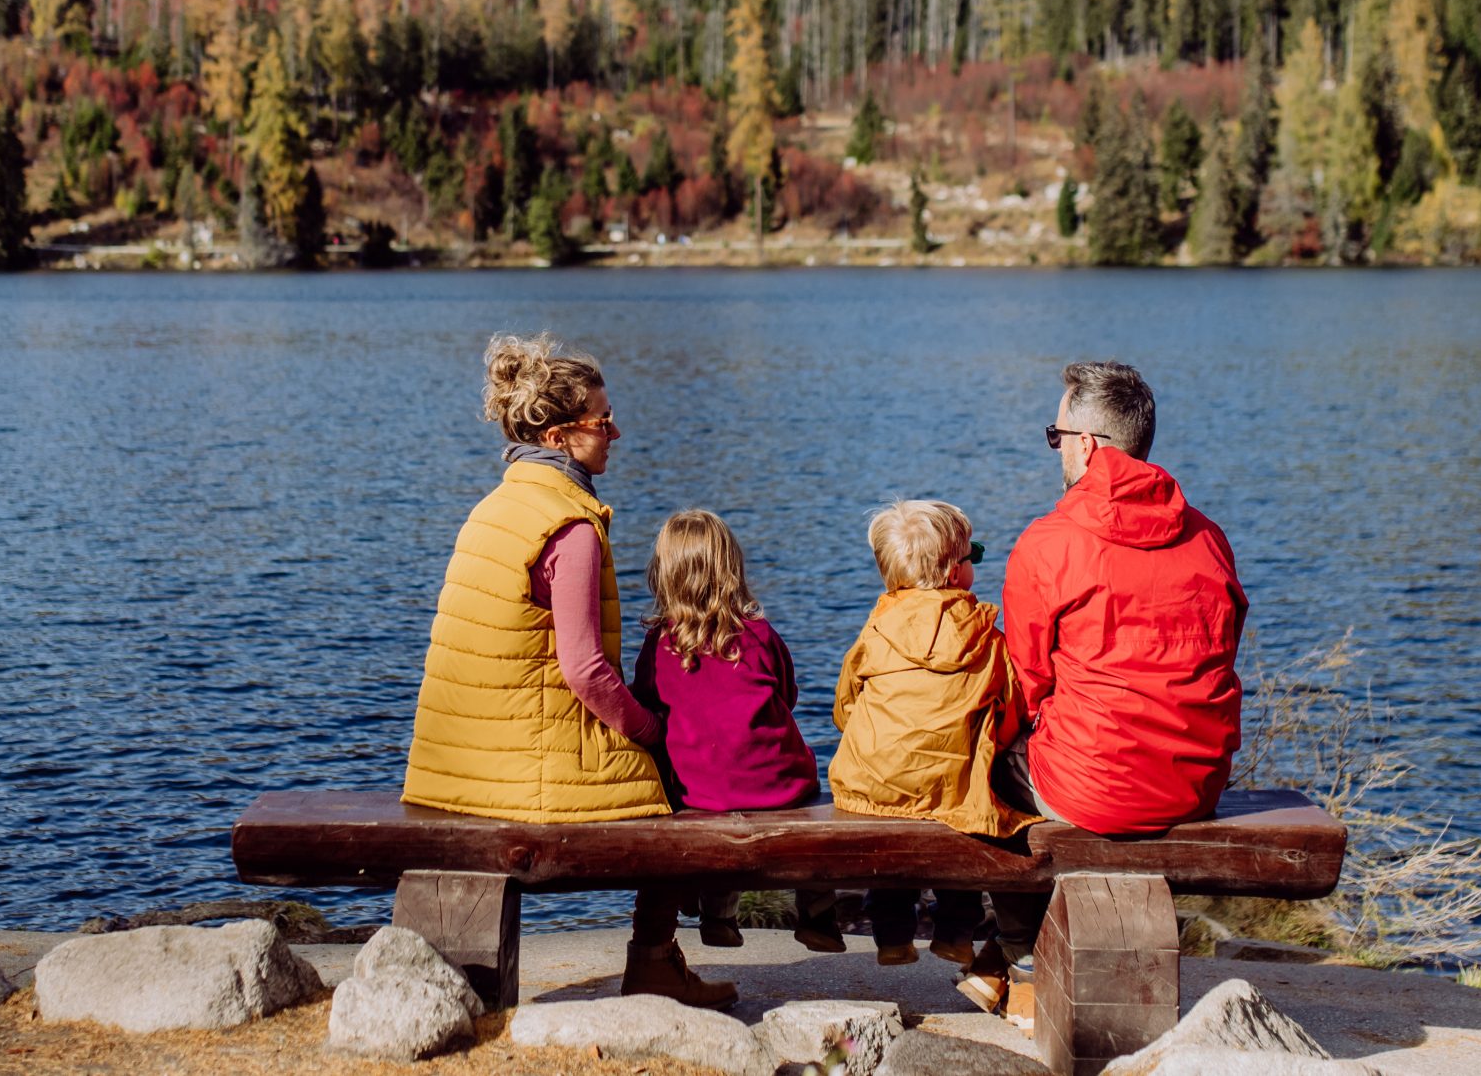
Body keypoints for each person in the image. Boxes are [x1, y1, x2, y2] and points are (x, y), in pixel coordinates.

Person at [402, 333, 736, 1008]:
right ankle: (653, 958)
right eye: (601, 419)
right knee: (687, 780)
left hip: (459, 764)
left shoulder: (495, 508)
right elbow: (584, 670)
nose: (616, 430)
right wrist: (649, 727)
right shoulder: (570, 526)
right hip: (526, 773)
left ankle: (660, 955)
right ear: (558, 435)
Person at [966, 359, 1249, 1024]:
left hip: (1095, 785)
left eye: (1055, 434)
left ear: (1088, 443)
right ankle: (1000, 961)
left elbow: (1025, 685)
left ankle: (1017, 958)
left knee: (987, 772)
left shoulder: (1050, 541)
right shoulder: (1209, 537)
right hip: (1194, 780)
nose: (1056, 447)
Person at [828, 499, 1033, 967]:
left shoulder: (876, 630)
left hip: (871, 785)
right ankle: (956, 934)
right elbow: (1009, 714)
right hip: (949, 789)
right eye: (973, 555)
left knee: (888, 840)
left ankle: (893, 937)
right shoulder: (985, 638)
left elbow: (846, 707)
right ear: (954, 573)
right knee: (964, 814)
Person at [629, 509, 841, 952]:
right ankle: (818, 915)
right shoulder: (759, 636)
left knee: (712, 788)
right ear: (732, 569)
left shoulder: (659, 645)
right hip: (780, 787)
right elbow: (789, 696)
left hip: (698, 794)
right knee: (803, 787)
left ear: (664, 574)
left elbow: (645, 702)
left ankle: (718, 917)